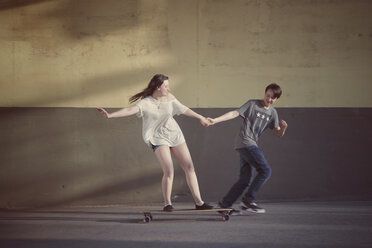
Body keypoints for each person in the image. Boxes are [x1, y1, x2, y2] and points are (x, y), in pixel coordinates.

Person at [97, 74, 213, 211]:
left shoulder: (170, 98)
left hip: (174, 134)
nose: (168, 89)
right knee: (169, 170)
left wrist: (200, 117)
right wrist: (110, 115)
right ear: (158, 87)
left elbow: (183, 108)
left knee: (189, 167)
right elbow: (130, 110)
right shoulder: (146, 103)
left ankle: (199, 203)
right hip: (156, 137)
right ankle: (167, 203)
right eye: (166, 86)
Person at [208, 83, 288, 214]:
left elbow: (278, 133)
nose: (269, 99)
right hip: (245, 142)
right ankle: (248, 201)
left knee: (245, 180)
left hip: (247, 145)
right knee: (265, 170)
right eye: (268, 95)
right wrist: (216, 120)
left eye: (273, 98)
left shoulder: (273, 113)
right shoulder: (253, 104)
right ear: (265, 93)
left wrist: (283, 128)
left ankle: (225, 205)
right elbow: (235, 113)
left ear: (276, 99)